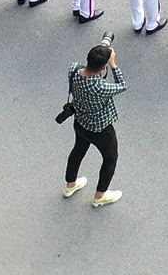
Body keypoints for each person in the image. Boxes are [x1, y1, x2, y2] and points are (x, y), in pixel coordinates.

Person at [63, 37, 125, 208]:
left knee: (78, 151)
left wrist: (103, 53)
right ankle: (99, 196)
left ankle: (70, 184)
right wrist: (113, 64)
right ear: (103, 67)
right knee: (110, 159)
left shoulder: (73, 70)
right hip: (100, 129)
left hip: (80, 122)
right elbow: (122, 85)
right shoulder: (99, 87)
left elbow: (85, 68)